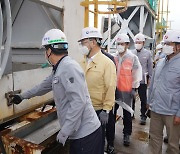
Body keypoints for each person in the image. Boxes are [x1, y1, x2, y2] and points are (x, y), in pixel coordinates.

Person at [10, 29, 103, 154]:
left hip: (86, 135)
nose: (45, 53)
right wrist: (22, 96)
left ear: (49, 50)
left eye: (45, 49)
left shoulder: (69, 67)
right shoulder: (58, 68)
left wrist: (64, 132)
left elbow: (78, 102)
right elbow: (42, 87)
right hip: (80, 134)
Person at [78, 27, 117, 153]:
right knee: (84, 140)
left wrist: (106, 109)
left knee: (97, 141)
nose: (81, 46)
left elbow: (110, 87)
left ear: (93, 42)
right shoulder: (82, 61)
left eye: (83, 42)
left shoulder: (107, 63)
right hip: (83, 108)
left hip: (98, 111)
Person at [147, 30, 180, 154]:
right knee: (154, 139)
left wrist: (179, 113)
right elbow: (153, 84)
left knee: (172, 144)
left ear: (178, 46)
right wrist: (149, 101)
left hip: (172, 112)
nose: (165, 46)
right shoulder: (160, 62)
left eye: (169, 43)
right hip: (156, 109)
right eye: (165, 43)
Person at [114, 33, 142, 146]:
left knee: (127, 114)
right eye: (118, 43)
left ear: (127, 44)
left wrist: (134, 88)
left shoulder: (132, 58)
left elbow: (136, 73)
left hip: (126, 90)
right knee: (112, 113)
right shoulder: (114, 57)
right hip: (114, 90)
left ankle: (127, 134)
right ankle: (110, 132)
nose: (119, 46)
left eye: (122, 44)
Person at [131, 33, 153, 125]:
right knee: (131, 97)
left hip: (142, 80)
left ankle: (143, 116)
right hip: (132, 79)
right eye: (136, 42)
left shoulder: (147, 53)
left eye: (139, 42)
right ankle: (131, 113)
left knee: (143, 98)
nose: (138, 43)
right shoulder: (131, 53)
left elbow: (150, 67)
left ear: (143, 43)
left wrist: (150, 79)